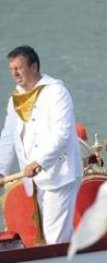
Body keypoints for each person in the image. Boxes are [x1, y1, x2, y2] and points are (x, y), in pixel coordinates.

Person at [0, 45, 82, 244]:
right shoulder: (16, 99)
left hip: (60, 175)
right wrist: (1, 170)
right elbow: (8, 138)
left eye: (19, 68)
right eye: (12, 69)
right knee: (48, 236)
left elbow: (61, 134)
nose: (15, 73)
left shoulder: (56, 92)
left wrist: (39, 162)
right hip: (34, 179)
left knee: (55, 238)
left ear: (34, 66)